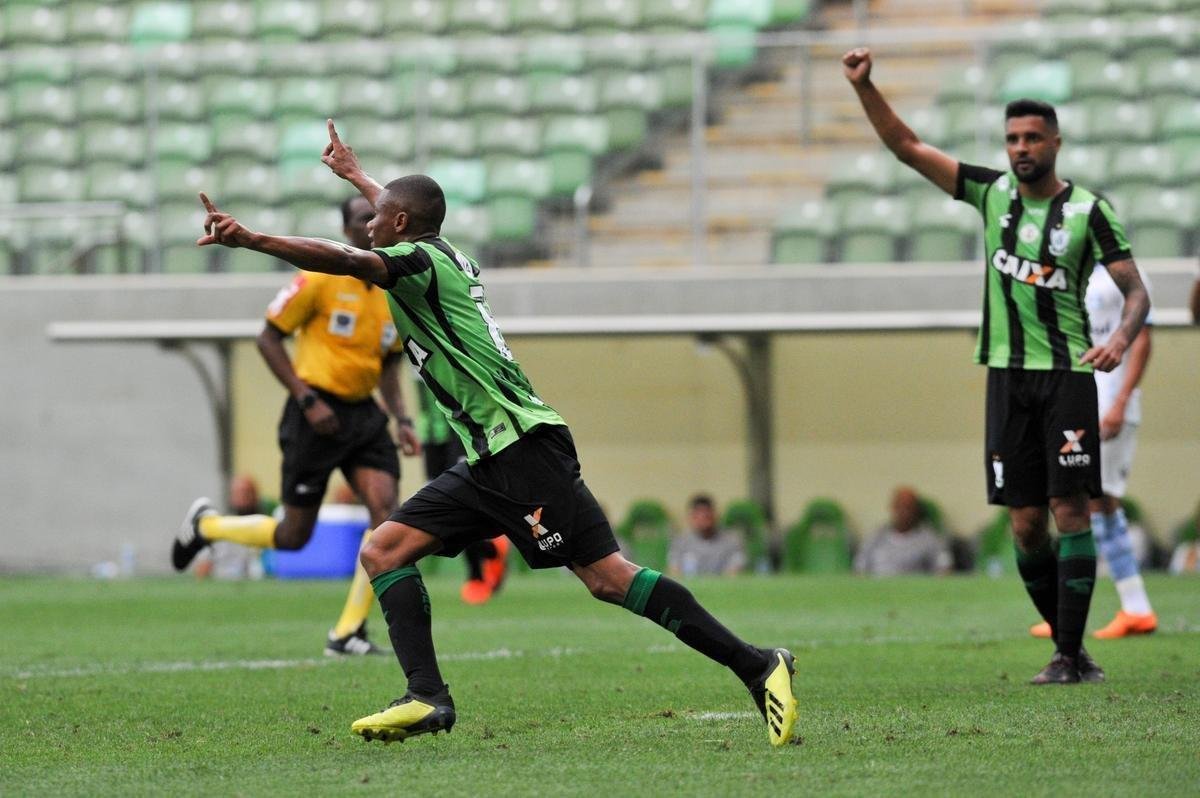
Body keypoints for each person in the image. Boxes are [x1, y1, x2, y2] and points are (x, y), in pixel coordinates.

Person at [184, 119, 798, 748]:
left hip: (520, 447)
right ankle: (426, 697)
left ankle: (757, 665)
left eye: (376, 216)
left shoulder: (414, 262)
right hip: (488, 457)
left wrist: (253, 238)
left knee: (607, 579)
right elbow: (394, 215)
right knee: (383, 549)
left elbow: (345, 259)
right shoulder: (442, 252)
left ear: (398, 227)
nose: (365, 223)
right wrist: (359, 176)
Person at [844, 49, 1150, 684]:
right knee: (1025, 522)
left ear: (1056, 143)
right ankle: (1074, 647)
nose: (1021, 147)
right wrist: (865, 85)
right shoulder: (989, 194)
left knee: (1070, 511)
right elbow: (906, 147)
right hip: (1006, 378)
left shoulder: (1089, 211)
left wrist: (1121, 337)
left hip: (1066, 376)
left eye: (1033, 136)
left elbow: (1138, 292)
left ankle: (1067, 654)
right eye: (1012, 138)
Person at [171, 195, 421, 657]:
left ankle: (347, 632)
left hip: (364, 415)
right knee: (293, 536)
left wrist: (402, 418)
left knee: (386, 514)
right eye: (364, 219)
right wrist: (306, 398)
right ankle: (208, 528)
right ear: (349, 231)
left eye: (377, 217)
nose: (372, 225)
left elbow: (388, 366)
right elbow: (267, 338)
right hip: (314, 414)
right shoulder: (318, 280)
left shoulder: (393, 293)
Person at [1031, 264, 1156, 639]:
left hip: (1110, 406)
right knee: (1082, 501)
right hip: (1079, 402)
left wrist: (1121, 401)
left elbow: (1144, 340)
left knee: (1099, 503)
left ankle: (1128, 609)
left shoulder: (1126, 275)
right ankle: (1112, 609)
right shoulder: (1072, 270)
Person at [417, 382, 511, 605]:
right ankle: (490, 550)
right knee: (441, 507)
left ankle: (475, 574)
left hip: (459, 425)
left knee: (462, 498)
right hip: (430, 432)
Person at [854, 487, 952, 576]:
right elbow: (859, 569)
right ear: (892, 508)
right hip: (875, 591)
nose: (904, 512)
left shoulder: (930, 539)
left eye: (909, 507)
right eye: (900, 506)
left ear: (917, 510)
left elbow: (944, 570)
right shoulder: (876, 536)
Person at [668, 494, 747, 577]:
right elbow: (674, 571)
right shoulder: (681, 542)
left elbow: (735, 570)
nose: (702, 519)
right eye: (698, 515)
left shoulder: (732, 541)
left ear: (715, 515)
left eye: (706, 515)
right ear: (691, 517)